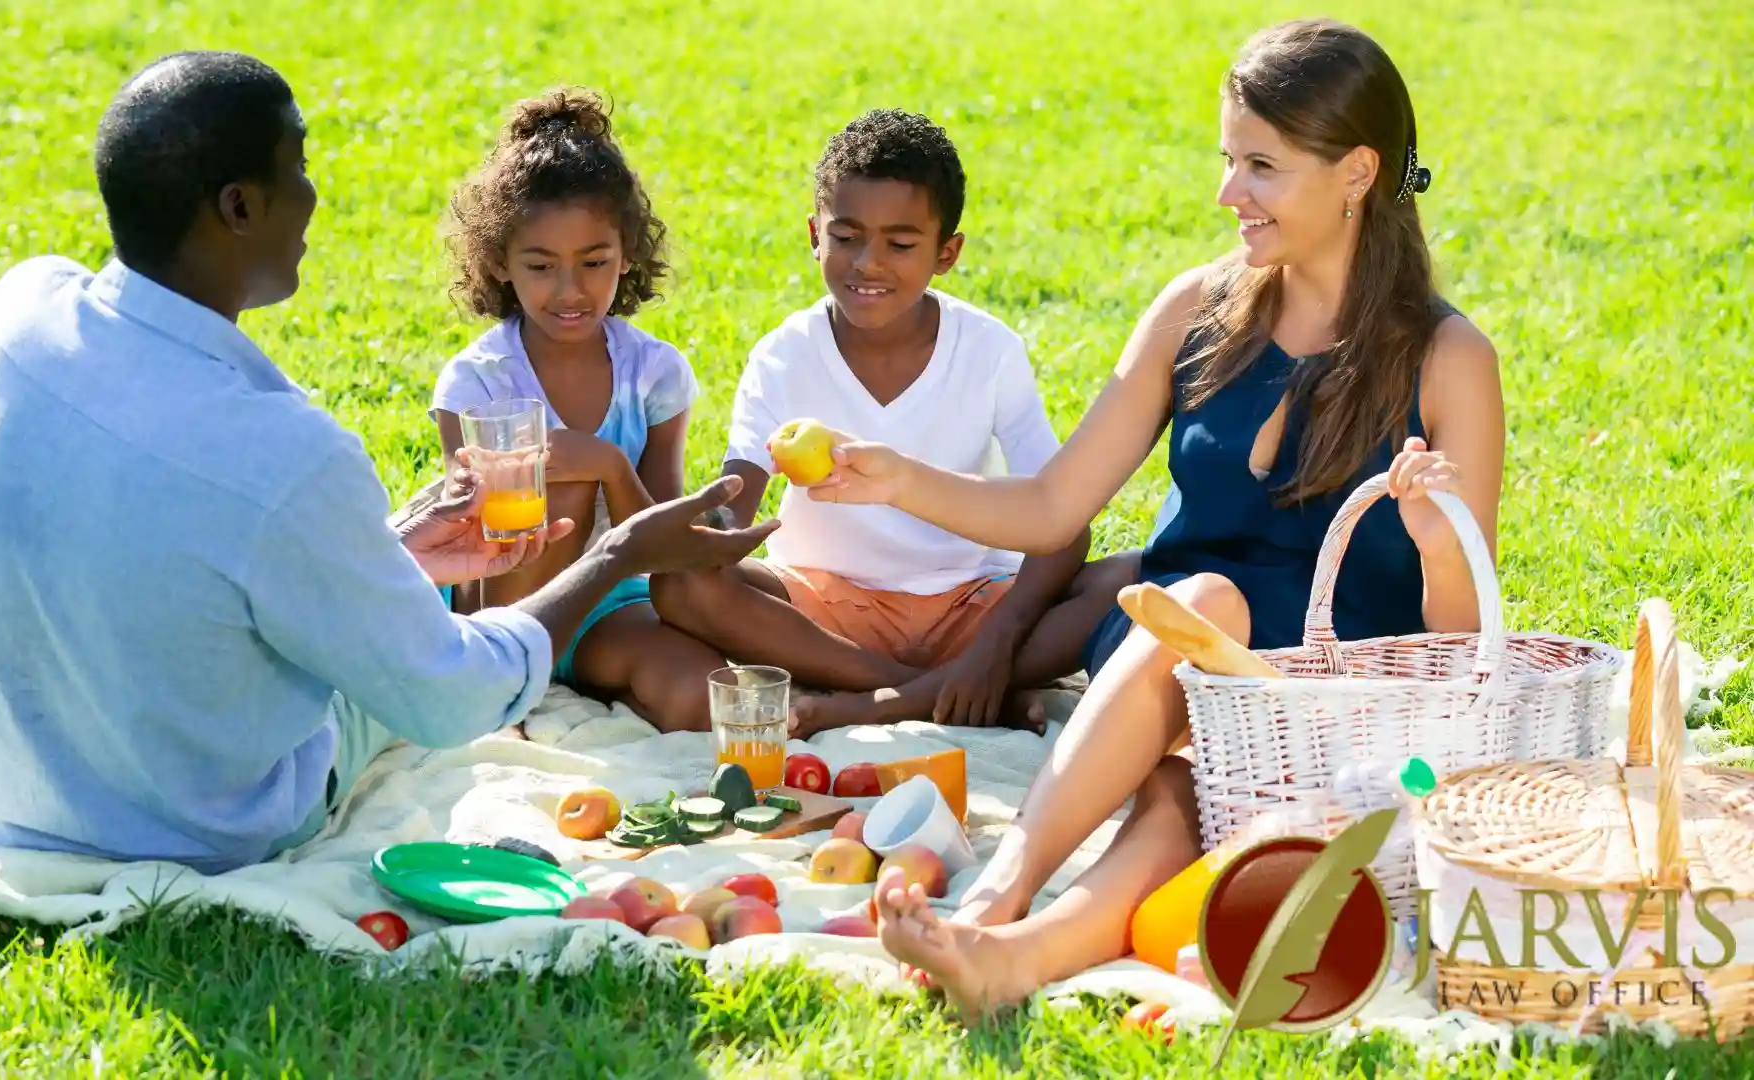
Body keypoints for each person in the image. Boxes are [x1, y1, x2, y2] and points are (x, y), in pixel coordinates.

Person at [0, 52, 773, 875]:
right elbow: (450, 696)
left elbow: (177, 552)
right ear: (240, 207)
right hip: (198, 826)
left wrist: (395, 544)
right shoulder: (287, 453)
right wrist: (616, 555)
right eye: (299, 165)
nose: (316, 195)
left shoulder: (14, 315)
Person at [819, 20, 1506, 1018]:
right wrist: (895, 478)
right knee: (1205, 614)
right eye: (1230, 160)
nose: (1229, 193)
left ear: (1356, 173)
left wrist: (1440, 548)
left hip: (1330, 706)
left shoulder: (1450, 361)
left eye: (1261, 166)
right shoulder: (1197, 310)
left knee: (1183, 795)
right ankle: (1001, 895)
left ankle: (1014, 957)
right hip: (1170, 659)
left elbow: (1465, 644)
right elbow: (1055, 503)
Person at [649, 109, 1129, 735]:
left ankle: (882, 698)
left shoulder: (988, 350)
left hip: (974, 605)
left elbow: (1062, 522)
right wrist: (708, 532)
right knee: (681, 589)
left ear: (946, 252)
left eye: (901, 245)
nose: (869, 263)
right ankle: (934, 695)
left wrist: (997, 641)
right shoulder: (784, 355)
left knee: (1133, 578)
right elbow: (735, 502)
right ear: (814, 235)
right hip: (824, 612)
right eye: (846, 237)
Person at [429, 88, 725, 733]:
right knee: (550, 482)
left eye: (595, 263)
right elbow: (470, 542)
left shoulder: (654, 373)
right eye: (541, 266)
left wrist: (612, 466)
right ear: (500, 262)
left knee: (701, 697)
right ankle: (508, 686)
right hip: (501, 614)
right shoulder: (478, 381)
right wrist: (580, 469)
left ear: (628, 256)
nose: (571, 291)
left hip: (609, 605)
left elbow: (660, 540)